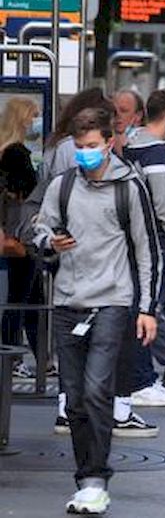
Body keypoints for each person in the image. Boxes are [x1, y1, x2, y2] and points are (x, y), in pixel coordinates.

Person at [32, 107, 159, 515]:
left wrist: (147, 308)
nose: (85, 154)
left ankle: (94, 480)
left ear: (109, 142)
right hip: (68, 300)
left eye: (92, 146)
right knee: (73, 402)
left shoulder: (129, 188)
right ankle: (87, 477)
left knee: (96, 390)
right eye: (79, 147)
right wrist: (50, 243)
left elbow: (147, 249)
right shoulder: (62, 186)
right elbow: (40, 229)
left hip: (112, 302)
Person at [124, 89, 165, 405]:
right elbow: (164, 207)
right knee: (148, 309)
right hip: (158, 244)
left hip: (137, 241)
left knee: (148, 307)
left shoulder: (130, 146)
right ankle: (141, 381)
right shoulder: (157, 156)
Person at [0, 97, 42, 378]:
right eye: (34, 116)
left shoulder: (6, 150)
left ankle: (38, 357)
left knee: (31, 296)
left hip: (14, 229)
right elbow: (27, 190)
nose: (37, 121)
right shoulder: (17, 153)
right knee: (22, 297)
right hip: (20, 232)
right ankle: (11, 357)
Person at [112, 89, 145, 153]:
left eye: (124, 111)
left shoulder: (147, 147)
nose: (117, 115)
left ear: (138, 115)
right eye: (113, 111)